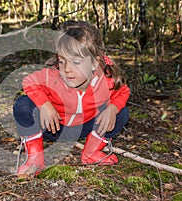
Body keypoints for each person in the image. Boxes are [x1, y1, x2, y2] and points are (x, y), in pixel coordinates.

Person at [13, 20, 130, 176]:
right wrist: (45, 105)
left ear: (94, 64)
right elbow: (29, 81)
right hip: (54, 127)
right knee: (23, 104)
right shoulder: (52, 76)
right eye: (62, 61)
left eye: (76, 62)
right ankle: (35, 159)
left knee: (121, 113)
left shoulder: (105, 81)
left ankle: (91, 152)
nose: (67, 69)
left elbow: (123, 91)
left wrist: (113, 108)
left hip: (85, 127)